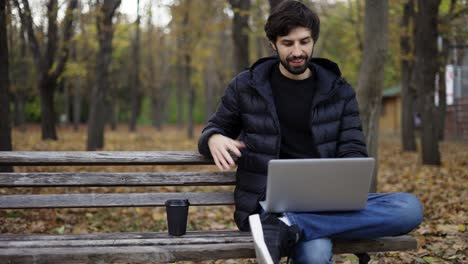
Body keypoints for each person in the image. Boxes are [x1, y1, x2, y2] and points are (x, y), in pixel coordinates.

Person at [198, 1, 423, 263]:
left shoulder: (339, 90)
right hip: (266, 202)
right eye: (287, 43)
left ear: (313, 39)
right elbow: (214, 129)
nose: (298, 51)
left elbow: (353, 148)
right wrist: (212, 137)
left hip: (325, 203)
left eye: (304, 42)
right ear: (273, 44)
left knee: (410, 209)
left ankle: (288, 226)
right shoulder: (247, 86)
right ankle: (286, 222)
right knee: (315, 252)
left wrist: (345, 185)